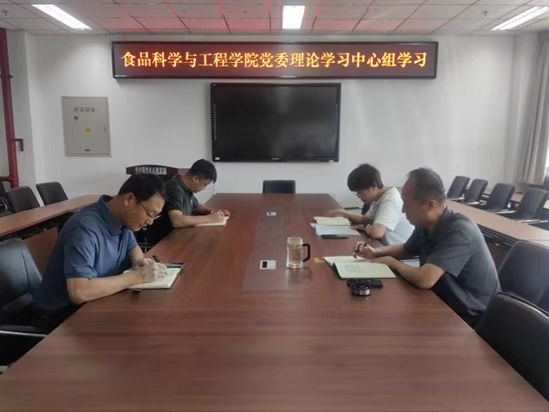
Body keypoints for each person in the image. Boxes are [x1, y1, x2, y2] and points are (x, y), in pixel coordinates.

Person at [355, 167, 500, 327]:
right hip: (443, 301)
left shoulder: (459, 231)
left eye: (407, 204)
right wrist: (375, 252)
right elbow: (407, 249)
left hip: (469, 318)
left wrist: (392, 263)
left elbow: (425, 279)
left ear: (430, 205)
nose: (403, 210)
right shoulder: (426, 222)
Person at [32, 174, 168, 329]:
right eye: (150, 214)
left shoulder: (123, 220)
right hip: (61, 320)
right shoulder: (83, 229)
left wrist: (143, 264)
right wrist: (139, 276)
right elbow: (79, 292)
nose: (150, 222)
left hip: (95, 306)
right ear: (129, 199)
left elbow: (135, 254)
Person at [327, 164, 413, 245]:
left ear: (373, 186)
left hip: (398, 251)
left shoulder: (391, 200)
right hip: (384, 245)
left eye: (360, 192)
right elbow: (366, 219)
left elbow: (377, 233)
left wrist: (366, 227)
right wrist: (342, 213)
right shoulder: (379, 197)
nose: (358, 196)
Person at [161, 159, 230, 229]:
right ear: (196, 178)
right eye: (205, 184)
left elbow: (195, 206)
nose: (204, 188)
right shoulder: (174, 188)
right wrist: (210, 218)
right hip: (169, 234)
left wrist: (213, 211)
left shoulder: (186, 187)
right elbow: (177, 221)